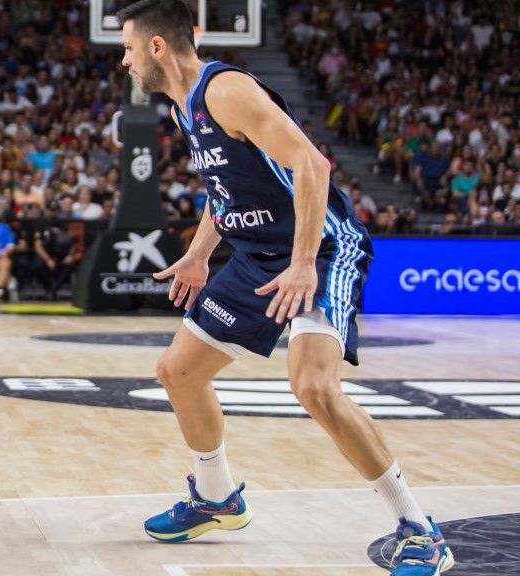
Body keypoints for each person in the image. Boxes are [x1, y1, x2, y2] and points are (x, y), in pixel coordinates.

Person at [117, 2, 454, 575]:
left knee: (313, 386)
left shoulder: (225, 90)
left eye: (127, 48)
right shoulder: (183, 108)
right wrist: (199, 255)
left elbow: (312, 166)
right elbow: (223, 190)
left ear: (156, 48)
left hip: (320, 249)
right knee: (178, 370)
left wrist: (303, 263)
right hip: (255, 254)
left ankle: (418, 530)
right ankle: (217, 496)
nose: (123, 60)